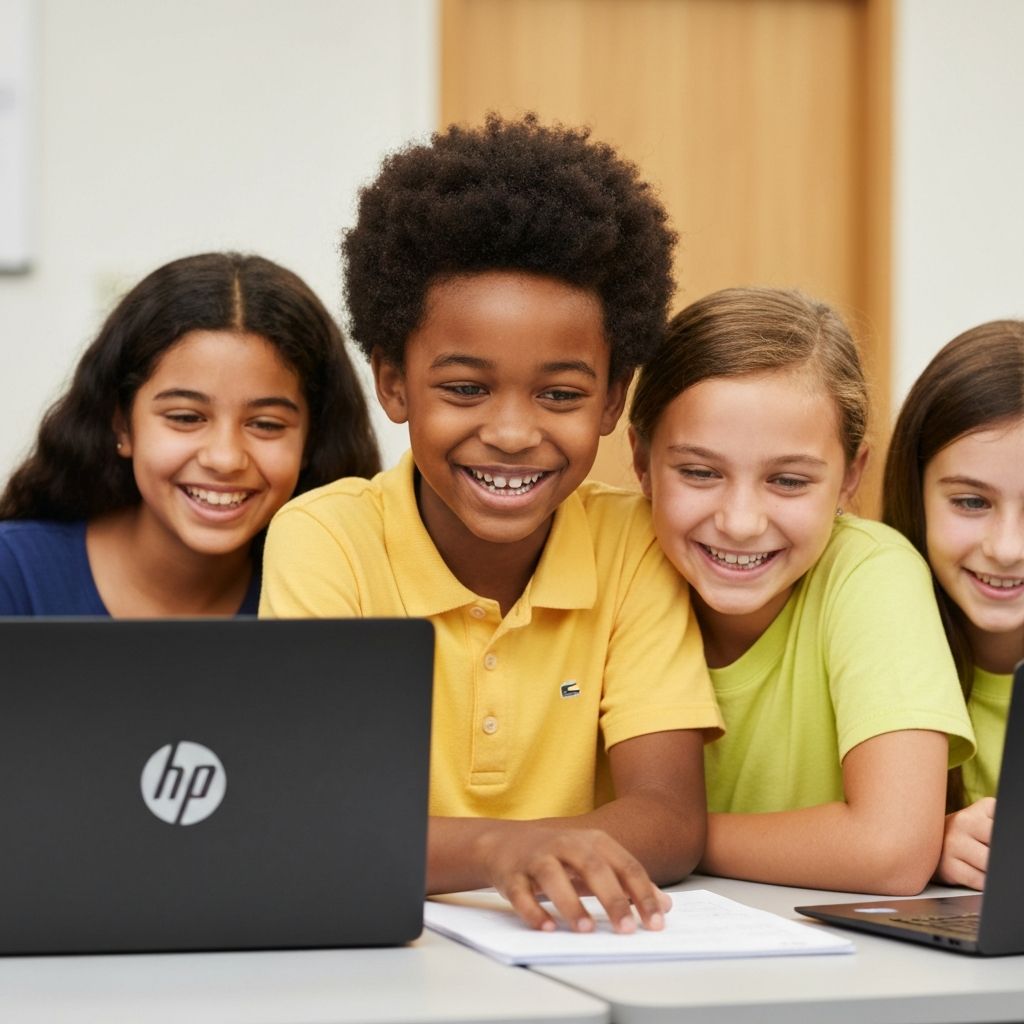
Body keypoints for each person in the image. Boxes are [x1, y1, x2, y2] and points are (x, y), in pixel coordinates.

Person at [261, 114, 723, 933]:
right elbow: (315, 813)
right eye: (466, 389)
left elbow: (671, 818)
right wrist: (495, 854)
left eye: (560, 394)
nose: (513, 432)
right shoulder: (325, 538)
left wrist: (502, 850)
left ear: (613, 401)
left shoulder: (631, 543)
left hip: (574, 952)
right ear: (394, 386)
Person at [628, 286, 975, 895]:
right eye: (700, 473)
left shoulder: (870, 573)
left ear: (850, 477)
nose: (740, 521)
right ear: (641, 461)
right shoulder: (611, 555)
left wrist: (649, 839)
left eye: (787, 481)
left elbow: (891, 851)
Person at [0, 251, 380, 616]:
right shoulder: (14, 574)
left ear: (311, 442)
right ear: (122, 425)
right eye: (185, 417)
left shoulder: (336, 592)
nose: (225, 458)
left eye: (266, 424)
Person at [883, 320, 1024, 890]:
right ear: (914, 491)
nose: (1007, 547)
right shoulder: (866, 642)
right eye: (970, 501)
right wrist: (925, 839)